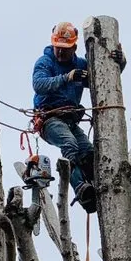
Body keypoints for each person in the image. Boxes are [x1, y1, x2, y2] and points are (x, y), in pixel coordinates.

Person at [32, 22, 97, 212]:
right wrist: (66, 78)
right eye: (57, 48)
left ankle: (93, 189)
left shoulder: (79, 65)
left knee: (89, 152)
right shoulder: (45, 62)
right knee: (69, 144)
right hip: (49, 119)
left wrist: (120, 62)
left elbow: (101, 75)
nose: (60, 53)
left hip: (69, 120)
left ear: (74, 48)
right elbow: (39, 84)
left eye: (65, 49)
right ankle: (80, 187)